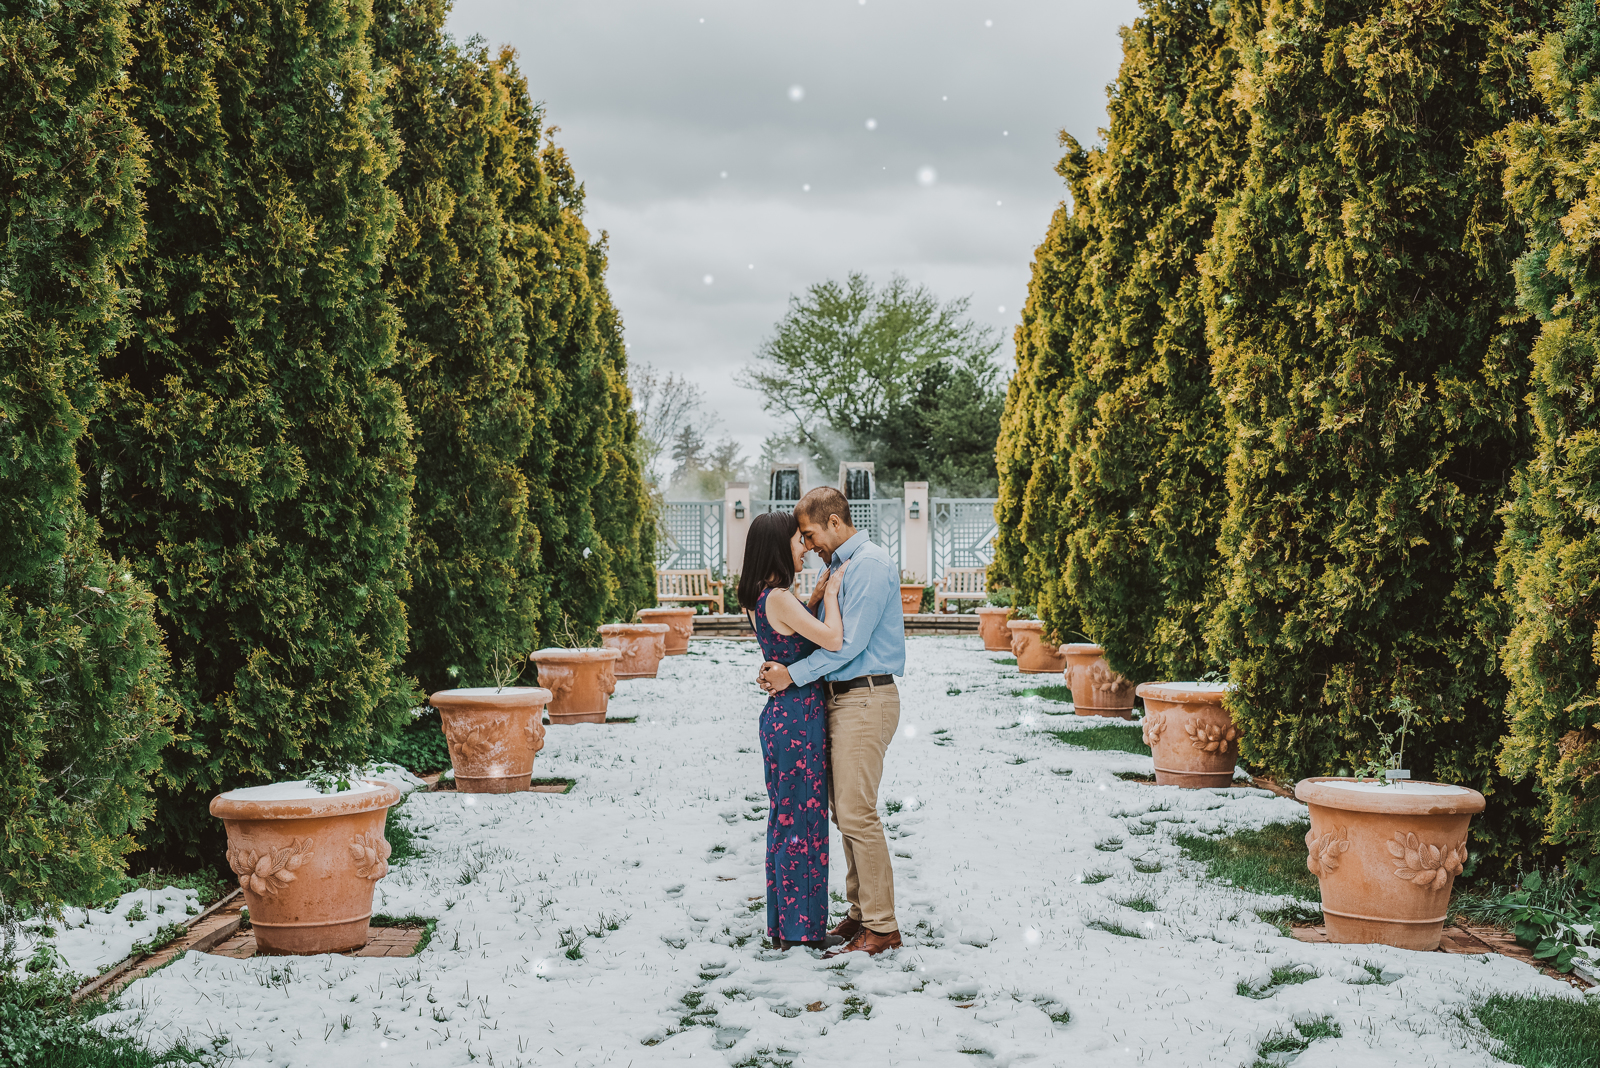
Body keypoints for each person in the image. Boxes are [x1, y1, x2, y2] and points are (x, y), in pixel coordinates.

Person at [758, 486, 906, 957]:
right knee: (845, 812)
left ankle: (882, 926)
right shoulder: (838, 568)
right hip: (840, 700)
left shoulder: (869, 565)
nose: (807, 543)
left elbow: (847, 645)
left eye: (810, 533)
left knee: (857, 813)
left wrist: (790, 676)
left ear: (835, 522)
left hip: (865, 698)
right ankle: (861, 913)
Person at [738, 510, 848, 950]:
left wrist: (815, 595)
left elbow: (787, 638)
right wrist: (834, 596)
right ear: (778, 546)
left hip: (782, 716)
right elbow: (833, 640)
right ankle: (803, 933)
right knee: (802, 821)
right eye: (797, 540)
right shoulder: (780, 597)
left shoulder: (761, 597)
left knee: (786, 821)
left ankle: (787, 926)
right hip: (798, 718)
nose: (804, 546)